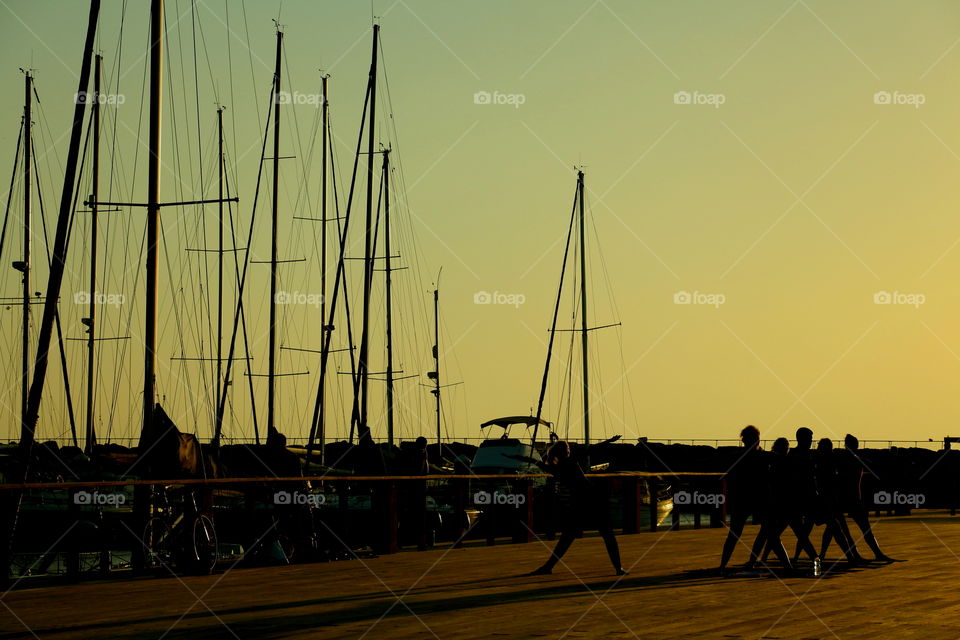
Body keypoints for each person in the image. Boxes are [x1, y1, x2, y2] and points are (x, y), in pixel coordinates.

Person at [509, 439, 626, 576]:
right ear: (565, 451)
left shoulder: (554, 468)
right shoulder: (571, 461)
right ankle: (618, 568)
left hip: (578, 504)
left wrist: (517, 457)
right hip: (592, 501)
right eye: (567, 448)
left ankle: (548, 567)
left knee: (567, 538)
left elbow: (535, 462)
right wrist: (609, 441)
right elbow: (591, 449)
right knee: (607, 535)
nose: (569, 449)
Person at [719, 426, 791, 573]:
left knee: (734, 534)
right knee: (771, 535)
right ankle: (787, 566)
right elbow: (783, 463)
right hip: (760, 499)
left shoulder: (738, 457)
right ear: (757, 439)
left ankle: (722, 565)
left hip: (743, 499)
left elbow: (730, 477)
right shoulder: (765, 456)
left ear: (743, 440)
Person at [824, 434, 893, 562]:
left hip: (843, 498)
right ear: (855, 445)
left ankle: (854, 554)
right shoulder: (854, 459)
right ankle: (875, 554)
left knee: (840, 530)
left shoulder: (843, 458)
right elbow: (871, 466)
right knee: (865, 530)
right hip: (853, 498)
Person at [814, 438, 862, 565]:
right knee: (836, 528)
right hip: (828, 498)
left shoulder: (822, 459)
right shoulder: (827, 460)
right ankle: (850, 555)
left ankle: (825, 554)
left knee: (834, 528)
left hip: (830, 498)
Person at [785, 427, 821, 563]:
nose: (811, 440)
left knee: (803, 531)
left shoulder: (808, 455)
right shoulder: (795, 455)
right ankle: (814, 557)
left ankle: (807, 557)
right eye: (809, 438)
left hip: (809, 497)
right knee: (801, 531)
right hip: (798, 497)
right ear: (802, 439)